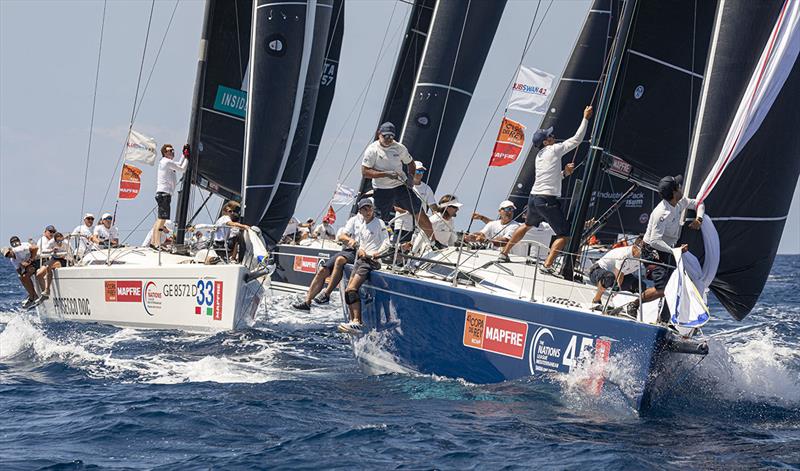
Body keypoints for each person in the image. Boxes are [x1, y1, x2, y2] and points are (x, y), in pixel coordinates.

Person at [498, 105, 594, 273]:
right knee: (564, 235)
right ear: (545, 141)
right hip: (547, 200)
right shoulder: (554, 149)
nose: (554, 136)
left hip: (534, 198)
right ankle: (547, 266)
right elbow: (577, 139)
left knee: (527, 225)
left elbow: (550, 177)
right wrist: (585, 118)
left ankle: (504, 253)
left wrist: (565, 173)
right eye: (550, 136)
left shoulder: (539, 156)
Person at [624, 175, 704, 321]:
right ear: (674, 192)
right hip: (652, 251)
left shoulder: (679, 202)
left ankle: (664, 320)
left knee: (676, 286)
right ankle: (633, 305)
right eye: (678, 186)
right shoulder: (661, 212)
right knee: (665, 288)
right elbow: (654, 241)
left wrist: (699, 219)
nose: (681, 188)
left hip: (669, 250)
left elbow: (699, 203)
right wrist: (675, 250)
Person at [361, 122, 432, 237]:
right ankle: (375, 242)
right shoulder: (372, 150)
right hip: (382, 189)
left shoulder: (399, 148)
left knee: (418, 210)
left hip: (400, 186)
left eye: (391, 136)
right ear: (379, 134)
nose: (388, 139)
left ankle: (434, 241)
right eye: (385, 136)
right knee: (379, 220)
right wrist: (385, 174)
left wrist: (410, 177)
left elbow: (411, 163)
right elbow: (365, 172)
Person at [337, 197, 390, 333]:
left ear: (373, 208)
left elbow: (386, 242)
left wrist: (378, 253)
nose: (368, 211)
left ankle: (357, 321)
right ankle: (353, 321)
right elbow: (360, 244)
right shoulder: (361, 226)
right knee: (348, 290)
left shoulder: (379, 223)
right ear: (360, 211)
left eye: (370, 208)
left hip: (370, 261)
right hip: (360, 260)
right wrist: (359, 249)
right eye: (364, 209)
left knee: (351, 289)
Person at [150, 143, 189, 248]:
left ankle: (153, 242)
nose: (172, 152)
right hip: (164, 194)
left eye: (172, 150)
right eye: (169, 151)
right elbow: (182, 168)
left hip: (162, 193)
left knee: (159, 219)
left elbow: (179, 164)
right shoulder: (166, 162)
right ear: (164, 153)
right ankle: (157, 243)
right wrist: (188, 158)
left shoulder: (167, 162)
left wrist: (184, 155)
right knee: (162, 219)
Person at [588, 237, 643, 310]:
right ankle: (596, 301)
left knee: (640, 285)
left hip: (619, 274)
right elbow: (618, 275)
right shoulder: (624, 254)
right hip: (597, 272)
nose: (644, 253)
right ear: (635, 247)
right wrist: (615, 294)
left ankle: (632, 307)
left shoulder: (641, 257)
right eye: (642, 250)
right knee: (609, 278)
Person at [393, 161, 437, 243]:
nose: (419, 173)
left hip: (420, 227)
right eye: (417, 171)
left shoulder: (427, 188)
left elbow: (433, 206)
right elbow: (395, 206)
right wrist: (408, 211)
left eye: (421, 171)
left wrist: (438, 218)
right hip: (403, 225)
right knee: (399, 249)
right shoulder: (401, 186)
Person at [3, 242, 40, 307]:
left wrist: (29, 261)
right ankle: (33, 295)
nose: (9, 255)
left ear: (11, 250)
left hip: (36, 261)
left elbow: (36, 247)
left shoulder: (19, 250)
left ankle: (33, 297)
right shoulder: (12, 260)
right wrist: (23, 266)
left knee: (25, 276)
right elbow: (19, 271)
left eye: (8, 253)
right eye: (6, 255)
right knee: (21, 277)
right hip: (30, 265)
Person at [36, 232, 69, 300]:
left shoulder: (66, 242)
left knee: (49, 267)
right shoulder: (52, 242)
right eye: (57, 241)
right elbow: (43, 250)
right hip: (54, 258)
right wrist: (52, 250)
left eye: (60, 240)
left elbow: (70, 253)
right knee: (39, 274)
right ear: (55, 240)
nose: (59, 242)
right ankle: (44, 292)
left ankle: (47, 290)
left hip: (63, 259)